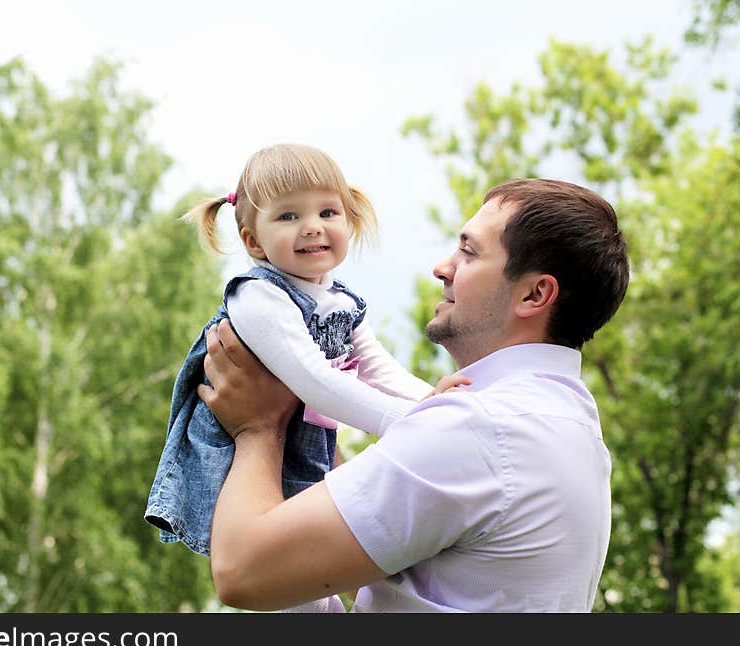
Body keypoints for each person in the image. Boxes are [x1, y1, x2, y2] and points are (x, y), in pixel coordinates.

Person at [199, 178, 630, 612]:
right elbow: (377, 557)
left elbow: (242, 572)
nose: (443, 268)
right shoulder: (572, 428)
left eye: (469, 252)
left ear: (534, 294)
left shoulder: (476, 427)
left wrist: (259, 429)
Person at [145, 143, 461, 556]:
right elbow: (315, 380)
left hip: (302, 444)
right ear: (254, 242)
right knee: (288, 573)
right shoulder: (258, 296)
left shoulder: (340, 300)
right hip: (243, 458)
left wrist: (432, 403)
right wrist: (407, 422)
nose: (312, 226)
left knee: (319, 568)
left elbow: (376, 367)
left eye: (327, 212)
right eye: (289, 216)